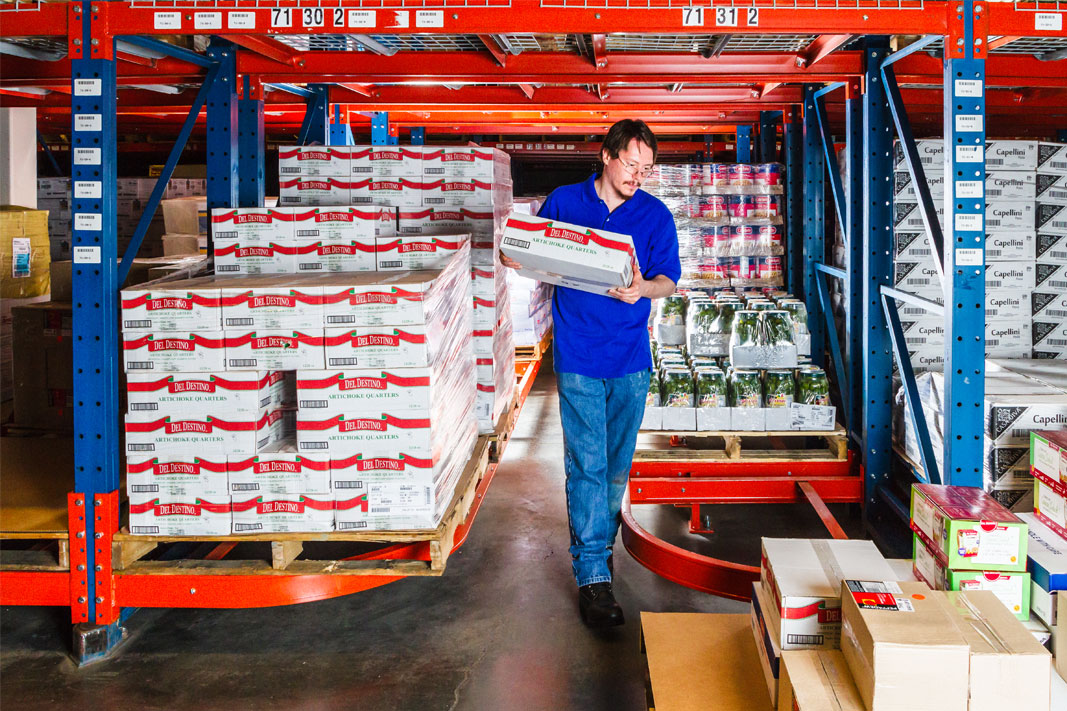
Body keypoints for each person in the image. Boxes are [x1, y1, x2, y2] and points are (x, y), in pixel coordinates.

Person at [500, 120, 680, 627]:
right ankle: (593, 577)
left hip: (629, 359)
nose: (637, 177)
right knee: (587, 465)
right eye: (630, 164)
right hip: (578, 353)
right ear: (606, 155)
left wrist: (643, 288)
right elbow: (532, 251)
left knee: (616, 468)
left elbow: (669, 280)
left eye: (646, 170)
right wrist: (515, 256)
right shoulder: (565, 201)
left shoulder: (655, 215)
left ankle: (597, 551)